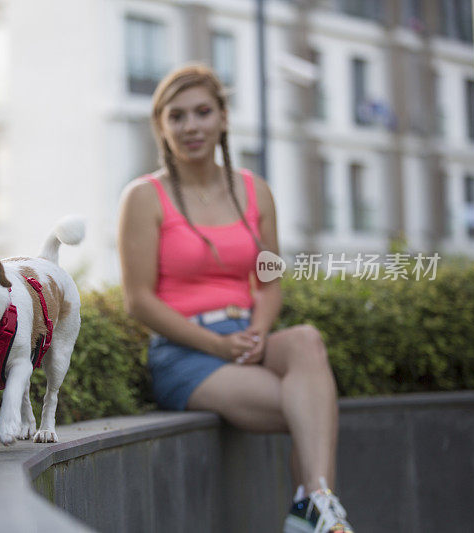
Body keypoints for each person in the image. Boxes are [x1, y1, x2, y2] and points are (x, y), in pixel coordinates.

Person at [117, 63, 354, 533]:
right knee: (310, 409)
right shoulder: (144, 197)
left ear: (223, 117)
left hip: (248, 339)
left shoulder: (254, 190)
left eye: (203, 112)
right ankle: (316, 509)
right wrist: (216, 345)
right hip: (185, 353)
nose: (191, 126)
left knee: (306, 339)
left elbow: (269, 281)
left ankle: (316, 504)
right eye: (177, 116)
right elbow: (139, 300)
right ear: (162, 126)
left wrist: (259, 331)